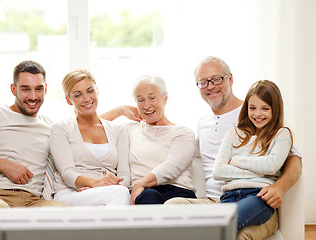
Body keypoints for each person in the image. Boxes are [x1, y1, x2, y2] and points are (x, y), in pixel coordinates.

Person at [165, 56, 302, 239]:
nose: (211, 86)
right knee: (170, 208)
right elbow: (216, 168)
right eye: (203, 82)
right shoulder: (204, 123)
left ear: (230, 79)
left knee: (232, 228)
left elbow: (293, 158)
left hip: (256, 198)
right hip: (218, 200)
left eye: (216, 79)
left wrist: (280, 187)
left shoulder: (258, 115)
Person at [0, 60, 68, 229]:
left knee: (71, 217)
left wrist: (120, 111)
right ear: (13, 89)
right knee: (3, 218)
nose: (32, 96)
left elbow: (83, 128)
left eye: (38, 89)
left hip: (34, 202)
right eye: (25, 89)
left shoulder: (52, 126)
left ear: (45, 90)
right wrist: (2, 165)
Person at [101, 75, 197, 205]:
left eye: (152, 98)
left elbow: (172, 166)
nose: (147, 105)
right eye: (140, 100)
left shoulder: (182, 132)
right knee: (147, 196)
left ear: (165, 98)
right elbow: (88, 126)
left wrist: (141, 183)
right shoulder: (129, 129)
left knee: (149, 195)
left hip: (176, 194)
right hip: (142, 195)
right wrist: (120, 110)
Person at [213, 80, 293, 232]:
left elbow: (271, 166)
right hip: (229, 196)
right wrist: (262, 171)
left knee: (228, 224)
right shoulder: (234, 133)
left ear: (275, 110)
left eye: (265, 108)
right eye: (252, 108)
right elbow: (218, 171)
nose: (257, 114)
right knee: (217, 228)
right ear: (246, 108)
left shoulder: (282, 134)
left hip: (259, 197)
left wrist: (235, 160)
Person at [49, 68, 130, 206]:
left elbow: (125, 174)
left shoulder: (118, 130)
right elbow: (67, 173)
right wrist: (95, 183)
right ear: (69, 100)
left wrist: (102, 187)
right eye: (78, 94)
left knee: (120, 192)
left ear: (97, 91)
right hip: (71, 193)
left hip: (108, 192)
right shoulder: (61, 128)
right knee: (120, 193)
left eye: (90, 91)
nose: (86, 98)